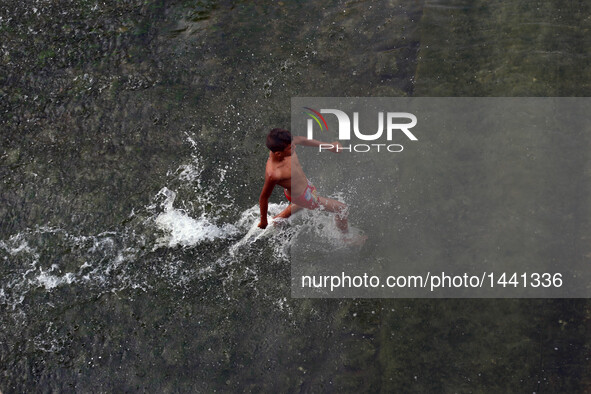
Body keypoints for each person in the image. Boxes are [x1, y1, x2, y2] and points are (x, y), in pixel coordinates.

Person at [257, 128, 349, 232]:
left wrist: (329, 146)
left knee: (299, 204)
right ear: (278, 154)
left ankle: (277, 221)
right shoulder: (274, 173)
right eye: (291, 147)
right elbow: (264, 197)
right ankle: (346, 238)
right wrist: (263, 220)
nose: (294, 147)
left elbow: (301, 140)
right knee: (342, 209)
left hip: (302, 186)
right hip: (304, 196)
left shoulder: (284, 144)